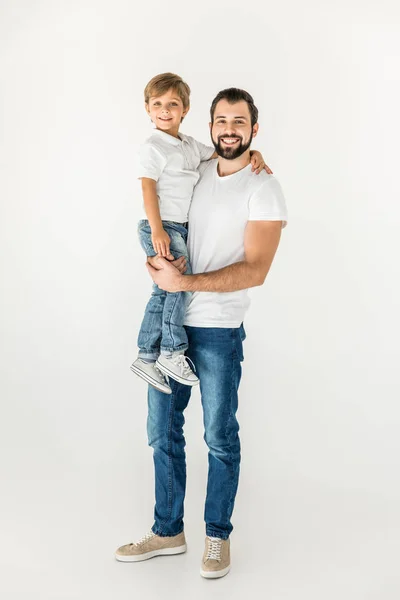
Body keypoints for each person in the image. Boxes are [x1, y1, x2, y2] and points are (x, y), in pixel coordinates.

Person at [116, 87, 288, 579]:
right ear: (209, 128)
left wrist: (183, 281)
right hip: (173, 320)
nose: (229, 129)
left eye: (239, 122)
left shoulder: (264, 187)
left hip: (216, 330)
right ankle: (168, 531)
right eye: (221, 121)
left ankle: (217, 536)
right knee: (162, 435)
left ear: (254, 129)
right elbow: (159, 191)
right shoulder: (200, 167)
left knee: (218, 437)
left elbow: (256, 269)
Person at [130, 73, 269, 394]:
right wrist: (157, 230)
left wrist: (255, 155)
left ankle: (147, 355)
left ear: (185, 110)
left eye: (173, 104)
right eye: (157, 105)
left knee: (165, 291)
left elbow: (222, 153)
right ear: (148, 110)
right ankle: (170, 351)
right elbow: (148, 189)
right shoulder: (153, 147)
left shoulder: (188, 145)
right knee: (176, 286)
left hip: (177, 227)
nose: (165, 110)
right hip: (162, 225)